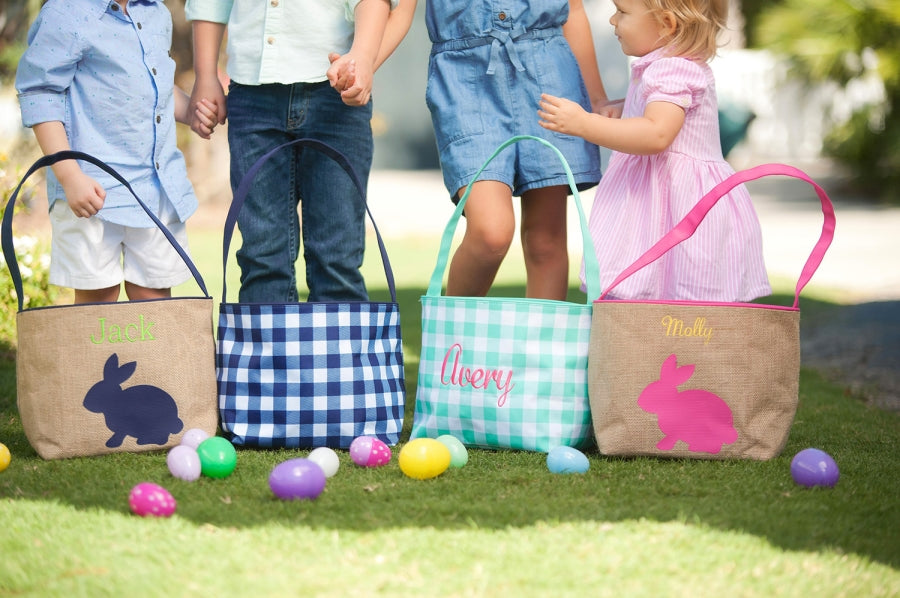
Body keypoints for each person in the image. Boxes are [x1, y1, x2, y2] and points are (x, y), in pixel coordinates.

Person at [538, 0, 771, 302]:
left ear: (666, 24)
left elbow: (657, 133)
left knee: (681, 297)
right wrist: (626, 109)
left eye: (622, 12)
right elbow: (658, 116)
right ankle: (661, 347)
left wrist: (585, 123)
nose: (612, 20)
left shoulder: (671, 70)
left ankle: (660, 347)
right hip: (661, 203)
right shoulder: (668, 67)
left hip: (678, 208)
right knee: (665, 299)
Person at [185, 0, 408, 303]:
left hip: (335, 93)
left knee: (336, 257)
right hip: (252, 92)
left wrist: (363, 59)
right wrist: (206, 74)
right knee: (261, 255)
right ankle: (268, 351)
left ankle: (338, 351)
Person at [15, 0, 215, 304]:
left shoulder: (155, 13)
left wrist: (191, 111)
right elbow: (40, 93)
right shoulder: (66, 11)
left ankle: (149, 356)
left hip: (156, 190)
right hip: (92, 190)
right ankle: (100, 356)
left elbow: (154, 85)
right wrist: (69, 175)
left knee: (155, 297)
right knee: (98, 301)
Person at [411, 0, 611, 301]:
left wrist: (596, 99)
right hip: (466, 79)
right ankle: (450, 343)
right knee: (491, 232)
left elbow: (575, 10)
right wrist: (364, 60)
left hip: (549, 74)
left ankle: (540, 347)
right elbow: (393, 9)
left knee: (546, 241)